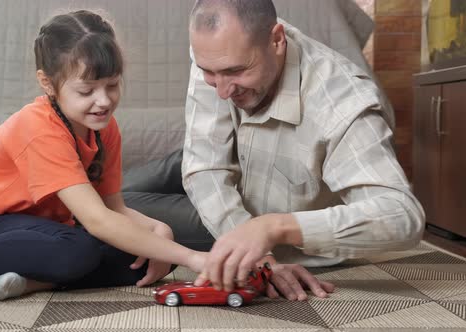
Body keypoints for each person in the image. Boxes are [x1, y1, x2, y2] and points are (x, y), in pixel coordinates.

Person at [0, 10, 206, 301]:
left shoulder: (104, 128)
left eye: (112, 85)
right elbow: (97, 221)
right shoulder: (38, 127)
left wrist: (159, 229)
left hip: (49, 230)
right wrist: (194, 258)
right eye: (86, 91)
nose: (103, 101)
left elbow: (112, 208)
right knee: (81, 249)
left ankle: (33, 279)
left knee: (153, 255)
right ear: (48, 84)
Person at [124, 0, 425, 301]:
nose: (221, 92)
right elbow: (204, 167)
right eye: (209, 72)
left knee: (110, 208)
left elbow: (402, 216)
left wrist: (274, 229)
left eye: (236, 71)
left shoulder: (343, 104)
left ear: (277, 40)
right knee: (93, 194)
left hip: (252, 211)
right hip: (220, 164)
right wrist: (258, 256)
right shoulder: (217, 53)